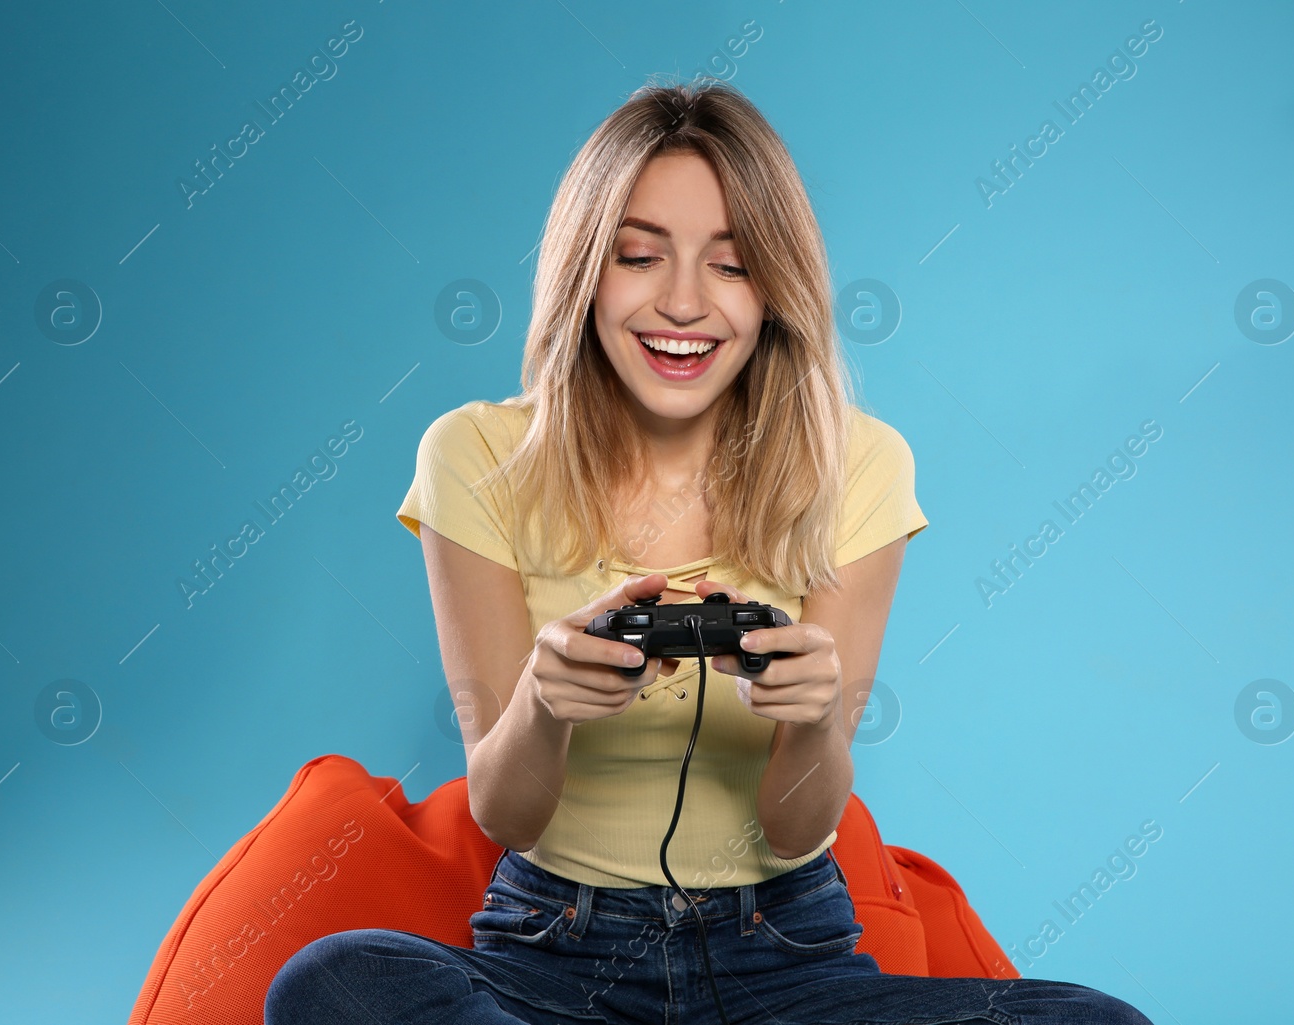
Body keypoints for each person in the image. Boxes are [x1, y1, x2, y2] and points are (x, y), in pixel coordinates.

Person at [266, 77, 1151, 1025]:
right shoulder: (476, 453)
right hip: (551, 952)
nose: (683, 303)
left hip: (785, 958)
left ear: (775, 290)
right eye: (639, 256)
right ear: (584, 273)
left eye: (732, 266)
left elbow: (796, 822)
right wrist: (545, 700)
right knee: (332, 980)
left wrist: (813, 718)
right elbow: (504, 812)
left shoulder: (860, 462)